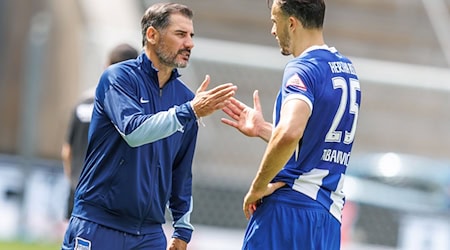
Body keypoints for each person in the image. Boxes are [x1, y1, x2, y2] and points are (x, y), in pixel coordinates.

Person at [62, 3, 237, 250]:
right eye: (180, 34)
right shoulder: (117, 78)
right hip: (98, 225)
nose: (190, 43)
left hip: (150, 235)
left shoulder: (187, 99)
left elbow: (181, 171)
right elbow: (134, 131)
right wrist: (191, 111)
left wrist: (183, 228)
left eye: (191, 35)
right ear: (152, 35)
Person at [221, 0, 362, 249]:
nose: (273, 31)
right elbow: (311, 140)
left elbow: (289, 133)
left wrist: (257, 187)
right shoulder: (347, 70)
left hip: (289, 212)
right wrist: (264, 129)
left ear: (292, 23)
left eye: (275, 22)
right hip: (327, 217)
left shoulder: (303, 68)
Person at [61, 43, 139, 222]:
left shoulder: (85, 100)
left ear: (106, 66)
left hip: (79, 187)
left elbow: (67, 151)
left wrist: (75, 181)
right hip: (110, 195)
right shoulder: (129, 109)